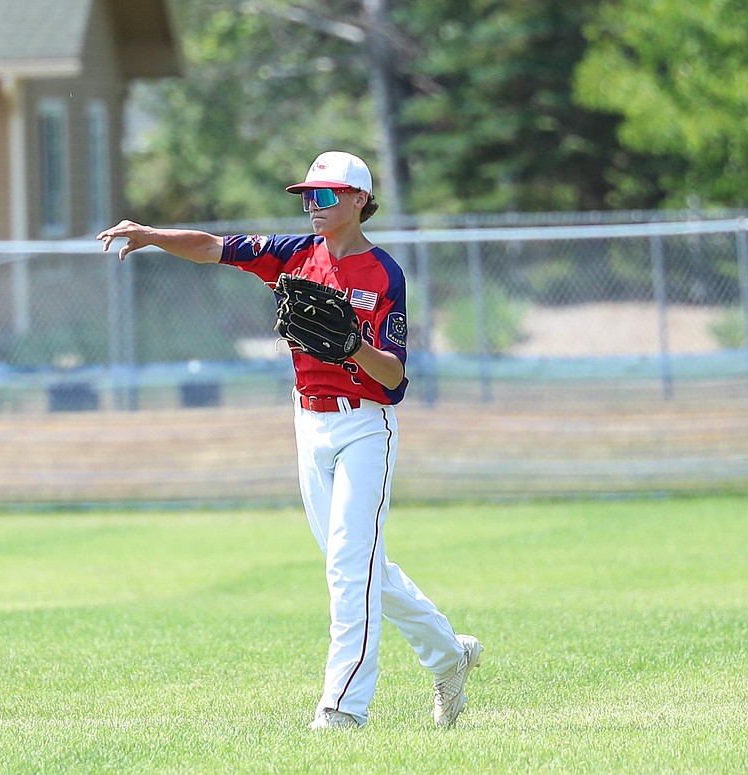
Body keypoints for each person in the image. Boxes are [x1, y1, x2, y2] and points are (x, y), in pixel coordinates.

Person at [97, 151, 483, 730]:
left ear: (358, 200)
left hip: (364, 427)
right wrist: (153, 236)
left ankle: (343, 708)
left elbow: (396, 380)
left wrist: (350, 343)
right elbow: (212, 247)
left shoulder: (384, 274)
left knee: (349, 570)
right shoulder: (292, 255)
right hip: (308, 423)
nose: (313, 206)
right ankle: (451, 655)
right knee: (355, 563)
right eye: (307, 196)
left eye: (325, 195)